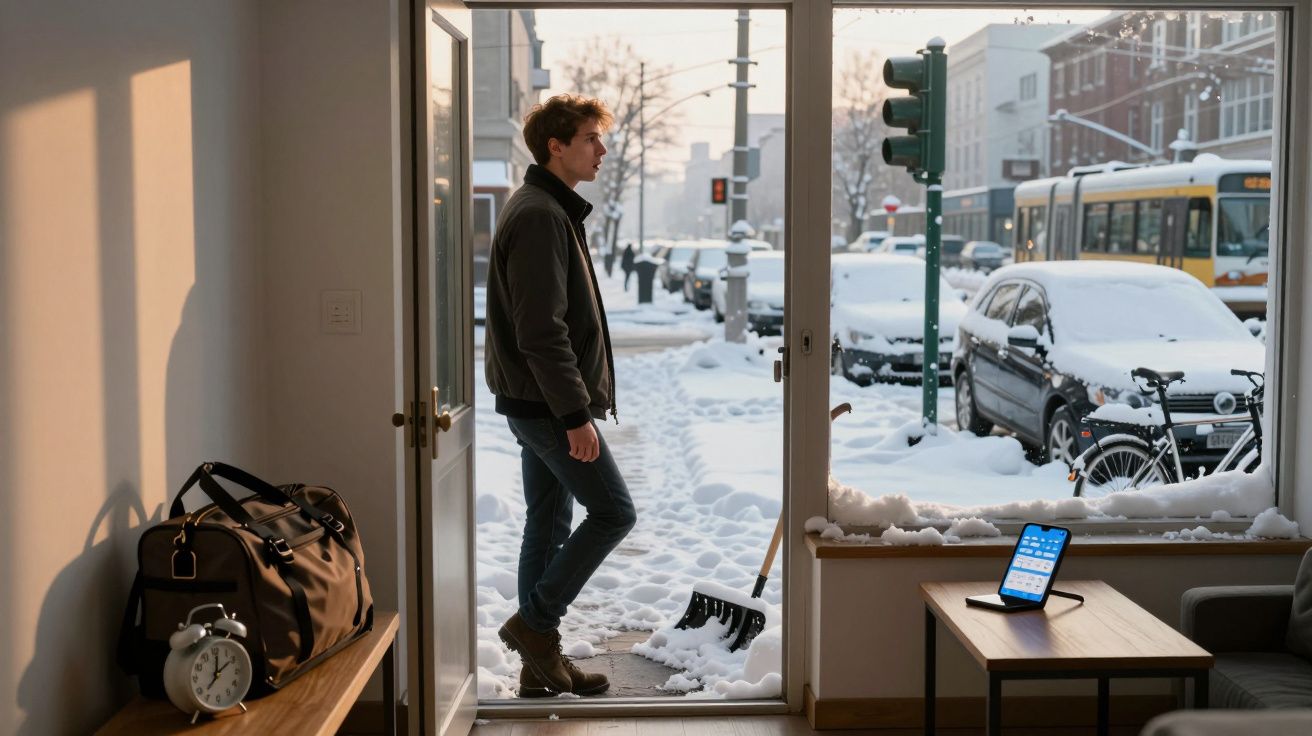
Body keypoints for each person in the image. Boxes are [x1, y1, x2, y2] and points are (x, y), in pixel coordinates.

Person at [483, 94, 637, 698]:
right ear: (557, 145)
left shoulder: (548, 207)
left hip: (534, 403)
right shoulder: (541, 214)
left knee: (546, 526)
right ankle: (534, 625)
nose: (601, 150)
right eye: (592, 138)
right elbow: (541, 332)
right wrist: (576, 416)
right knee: (614, 513)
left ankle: (538, 668)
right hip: (547, 407)